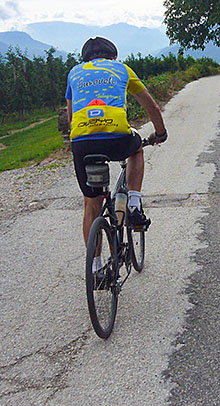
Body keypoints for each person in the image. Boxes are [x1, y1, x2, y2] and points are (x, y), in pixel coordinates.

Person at [65, 37, 167, 272]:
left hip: (82, 143)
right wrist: (160, 133)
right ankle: (133, 202)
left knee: (91, 204)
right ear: (113, 56)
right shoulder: (121, 69)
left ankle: (96, 267)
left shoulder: (74, 73)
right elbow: (151, 106)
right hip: (117, 139)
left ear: (85, 58)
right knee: (137, 148)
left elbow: (71, 117)